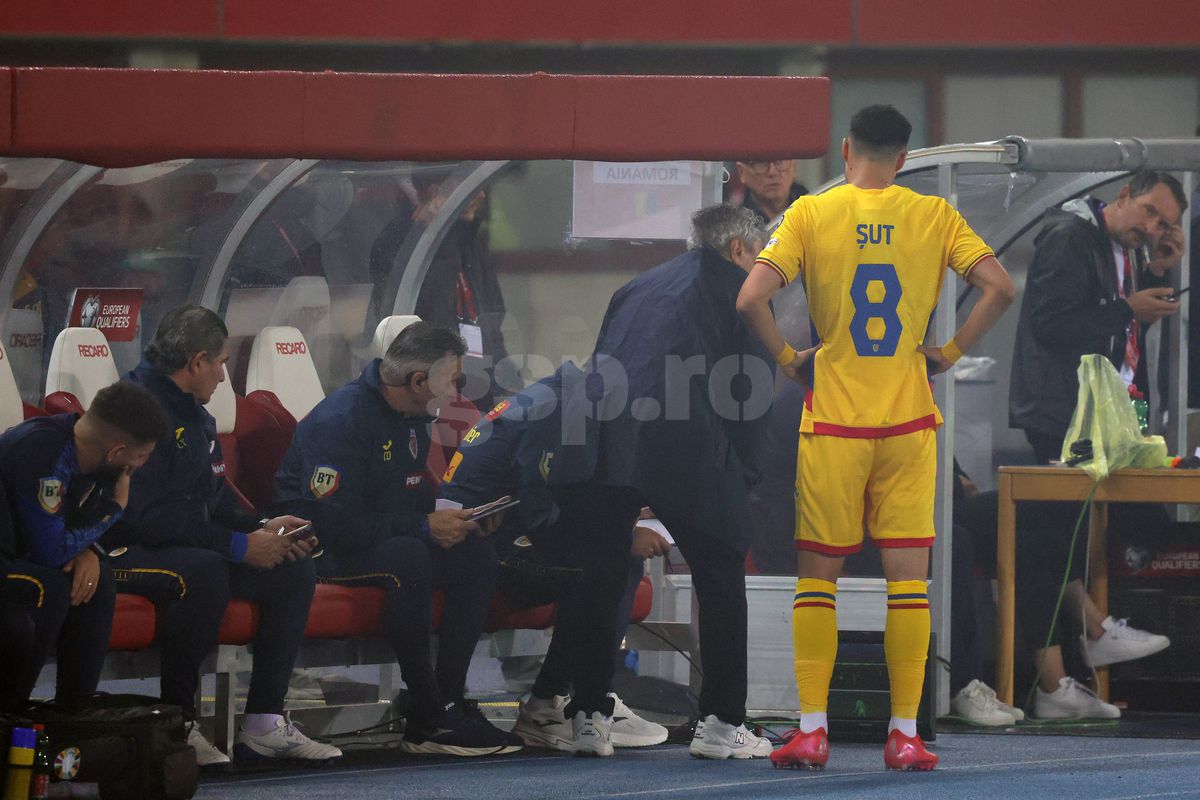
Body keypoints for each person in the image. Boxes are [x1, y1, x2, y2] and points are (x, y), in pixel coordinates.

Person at [736, 105, 1014, 771]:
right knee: (908, 587)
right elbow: (999, 288)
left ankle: (810, 730)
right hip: (909, 424)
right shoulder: (934, 217)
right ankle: (904, 734)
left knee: (817, 582)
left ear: (844, 150)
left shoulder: (810, 215)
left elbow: (749, 300)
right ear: (904, 159)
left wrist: (787, 360)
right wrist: (946, 351)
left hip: (833, 421)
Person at [546, 204, 777, 759]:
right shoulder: (744, 291)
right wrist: (744, 472)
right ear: (742, 250)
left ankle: (588, 716)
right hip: (686, 440)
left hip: (606, 440)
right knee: (721, 571)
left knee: (604, 574)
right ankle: (722, 723)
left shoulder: (636, 286)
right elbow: (748, 390)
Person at [273, 321, 523, 756]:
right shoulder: (342, 420)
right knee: (407, 554)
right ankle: (427, 715)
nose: (455, 393)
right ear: (418, 381)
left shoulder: (410, 415)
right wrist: (424, 527)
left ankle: (447, 700)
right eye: (451, 381)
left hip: (377, 539)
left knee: (475, 554)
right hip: (321, 551)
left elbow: (407, 497)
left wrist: (455, 518)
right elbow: (335, 526)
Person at [104, 306, 340, 767]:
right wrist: (237, 546)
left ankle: (264, 723)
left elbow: (212, 500)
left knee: (292, 566)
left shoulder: (197, 413)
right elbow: (144, 518)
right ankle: (179, 723)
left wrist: (262, 528)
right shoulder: (133, 407)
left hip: (183, 545)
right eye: (220, 362)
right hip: (120, 547)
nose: (222, 373)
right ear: (195, 362)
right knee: (206, 569)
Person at [1008, 171, 1184, 719]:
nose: (1154, 228)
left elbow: (1111, 336)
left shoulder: (1118, 250)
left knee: (1067, 543)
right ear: (1124, 194)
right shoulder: (1070, 237)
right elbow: (1054, 326)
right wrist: (1128, 309)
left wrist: (1151, 281)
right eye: (1152, 214)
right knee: (1050, 547)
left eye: (1168, 225)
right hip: (1061, 416)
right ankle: (1063, 671)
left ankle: (1070, 668)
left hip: (1092, 417)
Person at [436, 364, 671, 750]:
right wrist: (621, 534)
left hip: (495, 539)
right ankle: (556, 702)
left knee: (605, 556)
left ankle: (573, 697)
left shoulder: (557, 395)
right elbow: (538, 511)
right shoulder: (559, 410)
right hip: (481, 550)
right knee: (610, 563)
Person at [0, 382, 166, 712]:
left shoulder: (87, 457)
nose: (140, 466)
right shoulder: (45, 452)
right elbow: (51, 551)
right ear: (116, 452)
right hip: (9, 564)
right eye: (140, 456)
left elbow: (66, 534)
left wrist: (91, 551)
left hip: (21, 557)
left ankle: (74, 714)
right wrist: (115, 507)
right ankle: (11, 714)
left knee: (97, 578)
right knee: (49, 587)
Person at [735, 160, 808, 229]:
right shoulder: (736, 227)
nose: (772, 172)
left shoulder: (814, 212)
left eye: (780, 161)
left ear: (794, 166)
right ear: (742, 172)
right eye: (761, 163)